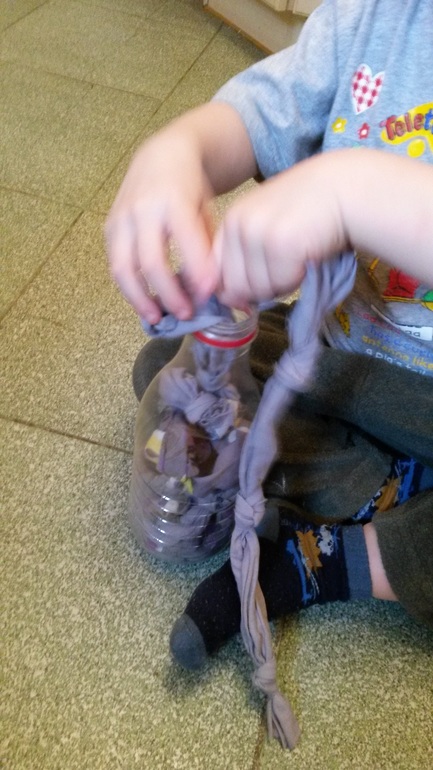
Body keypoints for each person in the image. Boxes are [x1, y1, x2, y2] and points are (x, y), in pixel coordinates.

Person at [105, 0, 433, 673]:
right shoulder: (369, 17)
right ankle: (385, 493)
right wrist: (182, 150)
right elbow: (255, 118)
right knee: (173, 369)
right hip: (341, 349)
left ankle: (339, 559)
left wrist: (349, 192)